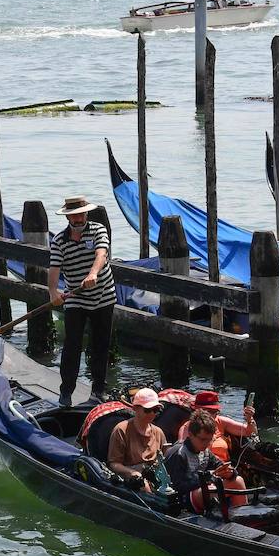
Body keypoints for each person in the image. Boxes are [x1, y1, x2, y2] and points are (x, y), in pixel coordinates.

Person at [48, 196, 116, 407]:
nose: (78, 218)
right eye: (73, 215)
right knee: (72, 345)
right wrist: (52, 292)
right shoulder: (59, 240)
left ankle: (98, 391)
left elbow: (101, 254)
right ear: (68, 216)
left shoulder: (98, 230)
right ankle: (66, 392)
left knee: (100, 345)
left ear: (86, 214)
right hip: (75, 297)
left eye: (81, 214)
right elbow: (54, 269)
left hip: (103, 294)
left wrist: (93, 274)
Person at [108, 388, 167, 492]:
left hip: (155, 476)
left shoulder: (159, 432)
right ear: (135, 408)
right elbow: (114, 464)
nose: (152, 414)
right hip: (134, 479)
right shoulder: (121, 430)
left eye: (156, 410)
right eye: (148, 410)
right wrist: (132, 473)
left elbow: (166, 458)